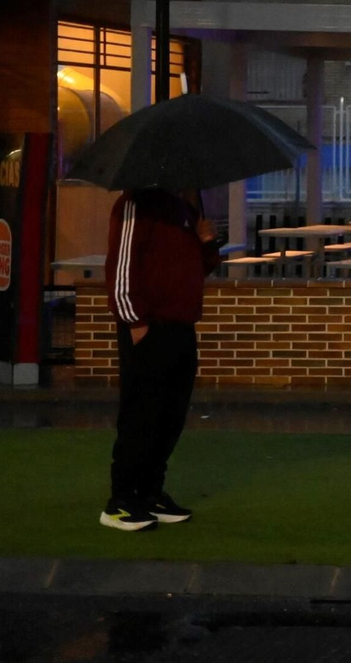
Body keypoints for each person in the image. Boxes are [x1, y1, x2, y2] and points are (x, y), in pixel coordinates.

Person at [100, 186, 221, 531]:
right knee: (141, 415)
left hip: (181, 327)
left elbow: (197, 267)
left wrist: (206, 241)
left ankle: (150, 492)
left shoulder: (182, 209)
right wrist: (136, 323)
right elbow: (121, 268)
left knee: (170, 416)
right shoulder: (134, 203)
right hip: (149, 326)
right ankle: (122, 501)